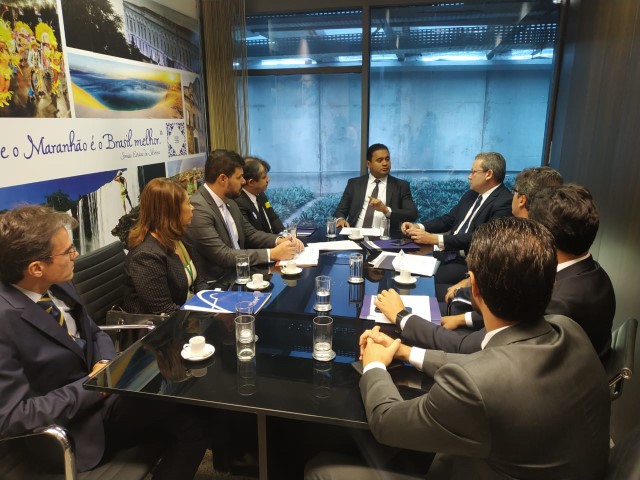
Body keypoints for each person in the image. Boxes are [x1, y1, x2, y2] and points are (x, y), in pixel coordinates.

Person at [306, 217, 610, 479]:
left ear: (473, 287)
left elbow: (386, 422)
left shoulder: (475, 386)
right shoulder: (568, 329)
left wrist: (373, 364)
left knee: (320, 468)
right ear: (551, 284)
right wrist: (406, 352)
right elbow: (491, 368)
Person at [0, 205, 209, 478]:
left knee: (193, 401)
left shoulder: (58, 284)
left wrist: (105, 362)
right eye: (68, 252)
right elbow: (14, 417)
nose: (76, 255)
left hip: (104, 395)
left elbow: (95, 332)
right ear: (36, 268)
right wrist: (94, 386)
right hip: (74, 428)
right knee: (193, 422)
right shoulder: (5, 321)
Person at [383, 183, 616, 363]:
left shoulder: (557, 300)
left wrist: (402, 317)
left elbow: (469, 349)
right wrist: (464, 317)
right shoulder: (594, 275)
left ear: (543, 236)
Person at [442, 166, 564, 329]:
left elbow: (511, 308)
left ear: (522, 200)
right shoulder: (542, 236)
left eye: (514, 191)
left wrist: (462, 313)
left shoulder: (521, 242)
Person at [401, 152, 512, 298]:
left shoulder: (504, 201)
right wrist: (419, 227)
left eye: (473, 172)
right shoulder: (471, 194)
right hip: (447, 252)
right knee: (403, 267)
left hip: (468, 263)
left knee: (424, 282)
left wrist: (435, 239)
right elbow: (448, 219)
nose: (469, 176)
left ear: (489, 174)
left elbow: (481, 238)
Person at [184, 149, 303, 284]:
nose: (243, 181)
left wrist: (280, 240)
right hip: (217, 284)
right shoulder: (199, 208)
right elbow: (222, 255)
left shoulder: (229, 201)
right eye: (239, 177)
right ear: (223, 179)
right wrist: (272, 253)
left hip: (241, 275)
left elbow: (250, 233)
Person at [122, 178, 204, 314]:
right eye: (188, 203)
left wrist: (209, 304)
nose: (192, 208)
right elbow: (164, 311)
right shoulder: (146, 256)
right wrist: (202, 317)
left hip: (187, 312)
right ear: (171, 211)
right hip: (164, 323)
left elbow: (200, 280)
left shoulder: (179, 236)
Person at [333, 143, 418, 237]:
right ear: (368, 164)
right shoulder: (354, 184)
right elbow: (340, 210)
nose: (385, 163)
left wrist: (386, 210)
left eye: (387, 159)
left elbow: (412, 214)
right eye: (380, 160)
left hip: (386, 239)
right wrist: (340, 219)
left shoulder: (401, 186)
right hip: (355, 236)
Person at [234, 156, 285, 234]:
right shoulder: (239, 203)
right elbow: (251, 234)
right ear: (251, 182)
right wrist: (276, 240)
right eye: (264, 177)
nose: (268, 179)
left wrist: (284, 234)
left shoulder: (260, 194)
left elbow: (273, 217)